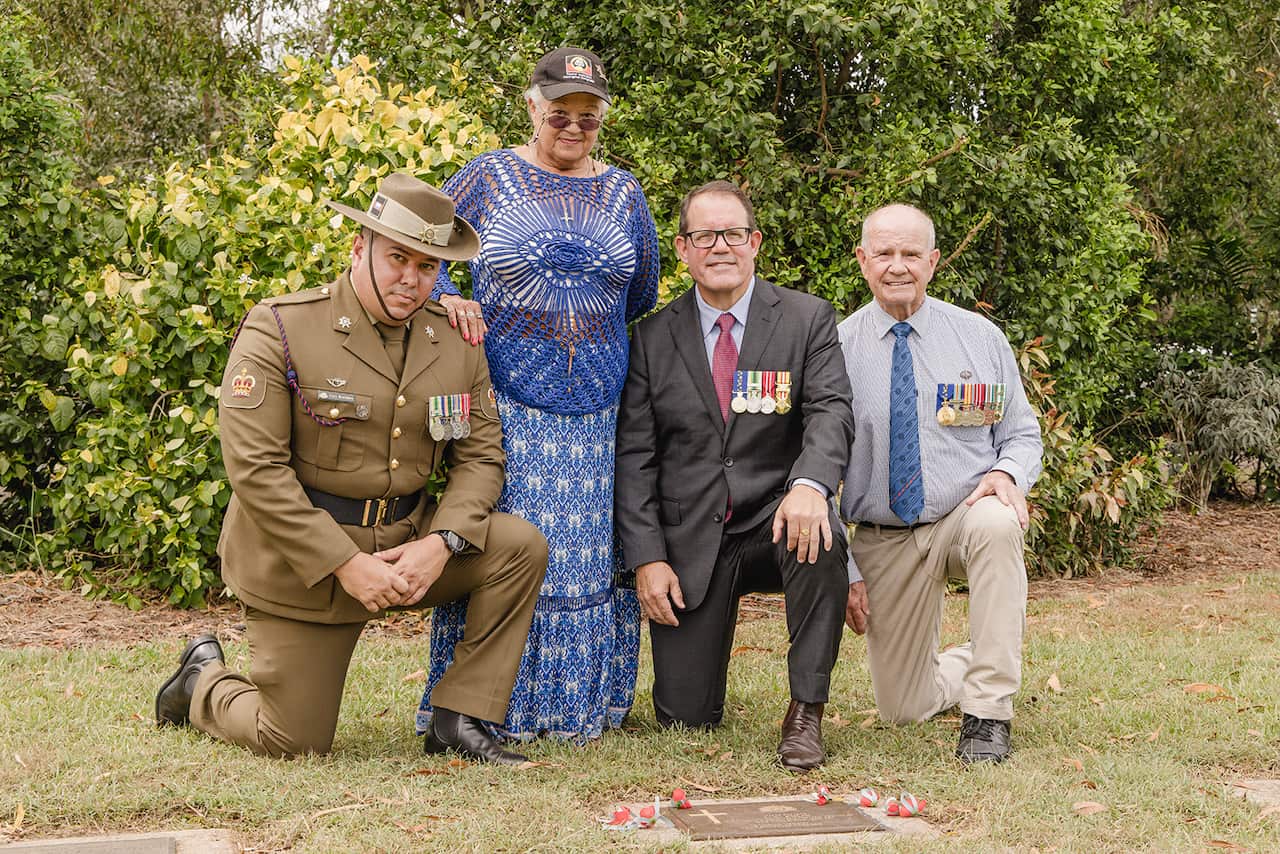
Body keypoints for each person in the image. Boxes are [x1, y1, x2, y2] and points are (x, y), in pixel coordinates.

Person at [154, 172, 548, 765]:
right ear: (359, 247)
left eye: (428, 266)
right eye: (398, 258)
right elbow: (257, 471)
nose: (411, 279)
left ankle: (458, 718)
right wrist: (345, 563)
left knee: (518, 547)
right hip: (304, 565)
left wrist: (440, 542)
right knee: (292, 741)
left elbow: (480, 455)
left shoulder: (454, 341)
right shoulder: (282, 327)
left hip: (405, 549)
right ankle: (201, 681)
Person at [418, 47, 659, 743]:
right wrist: (450, 298)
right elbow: (426, 250)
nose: (573, 128)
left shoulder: (625, 193)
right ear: (532, 107)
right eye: (559, 114)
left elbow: (640, 292)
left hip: (597, 409)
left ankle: (579, 709)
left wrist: (581, 326)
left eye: (588, 117)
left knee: (585, 560)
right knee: (511, 553)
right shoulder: (487, 177)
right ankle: (480, 708)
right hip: (507, 403)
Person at [614, 181, 854, 771]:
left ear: (755, 242)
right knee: (684, 715)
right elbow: (636, 456)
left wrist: (811, 486)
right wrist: (647, 558)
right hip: (694, 535)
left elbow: (831, 411)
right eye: (704, 235)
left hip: (779, 517)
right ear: (682, 248)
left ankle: (806, 711)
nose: (720, 246)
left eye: (733, 233)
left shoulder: (806, 319)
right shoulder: (650, 337)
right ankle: (694, 685)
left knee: (821, 536)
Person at [838, 203, 1044, 765]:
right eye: (884, 253)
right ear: (862, 260)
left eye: (911, 253)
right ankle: (975, 659)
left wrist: (1005, 473)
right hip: (883, 535)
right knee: (903, 707)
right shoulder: (836, 349)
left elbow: (1022, 435)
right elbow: (816, 470)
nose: (897, 265)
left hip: (963, 515)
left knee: (999, 522)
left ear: (932, 262)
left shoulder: (978, 338)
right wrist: (846, 568)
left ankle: (988, 711)